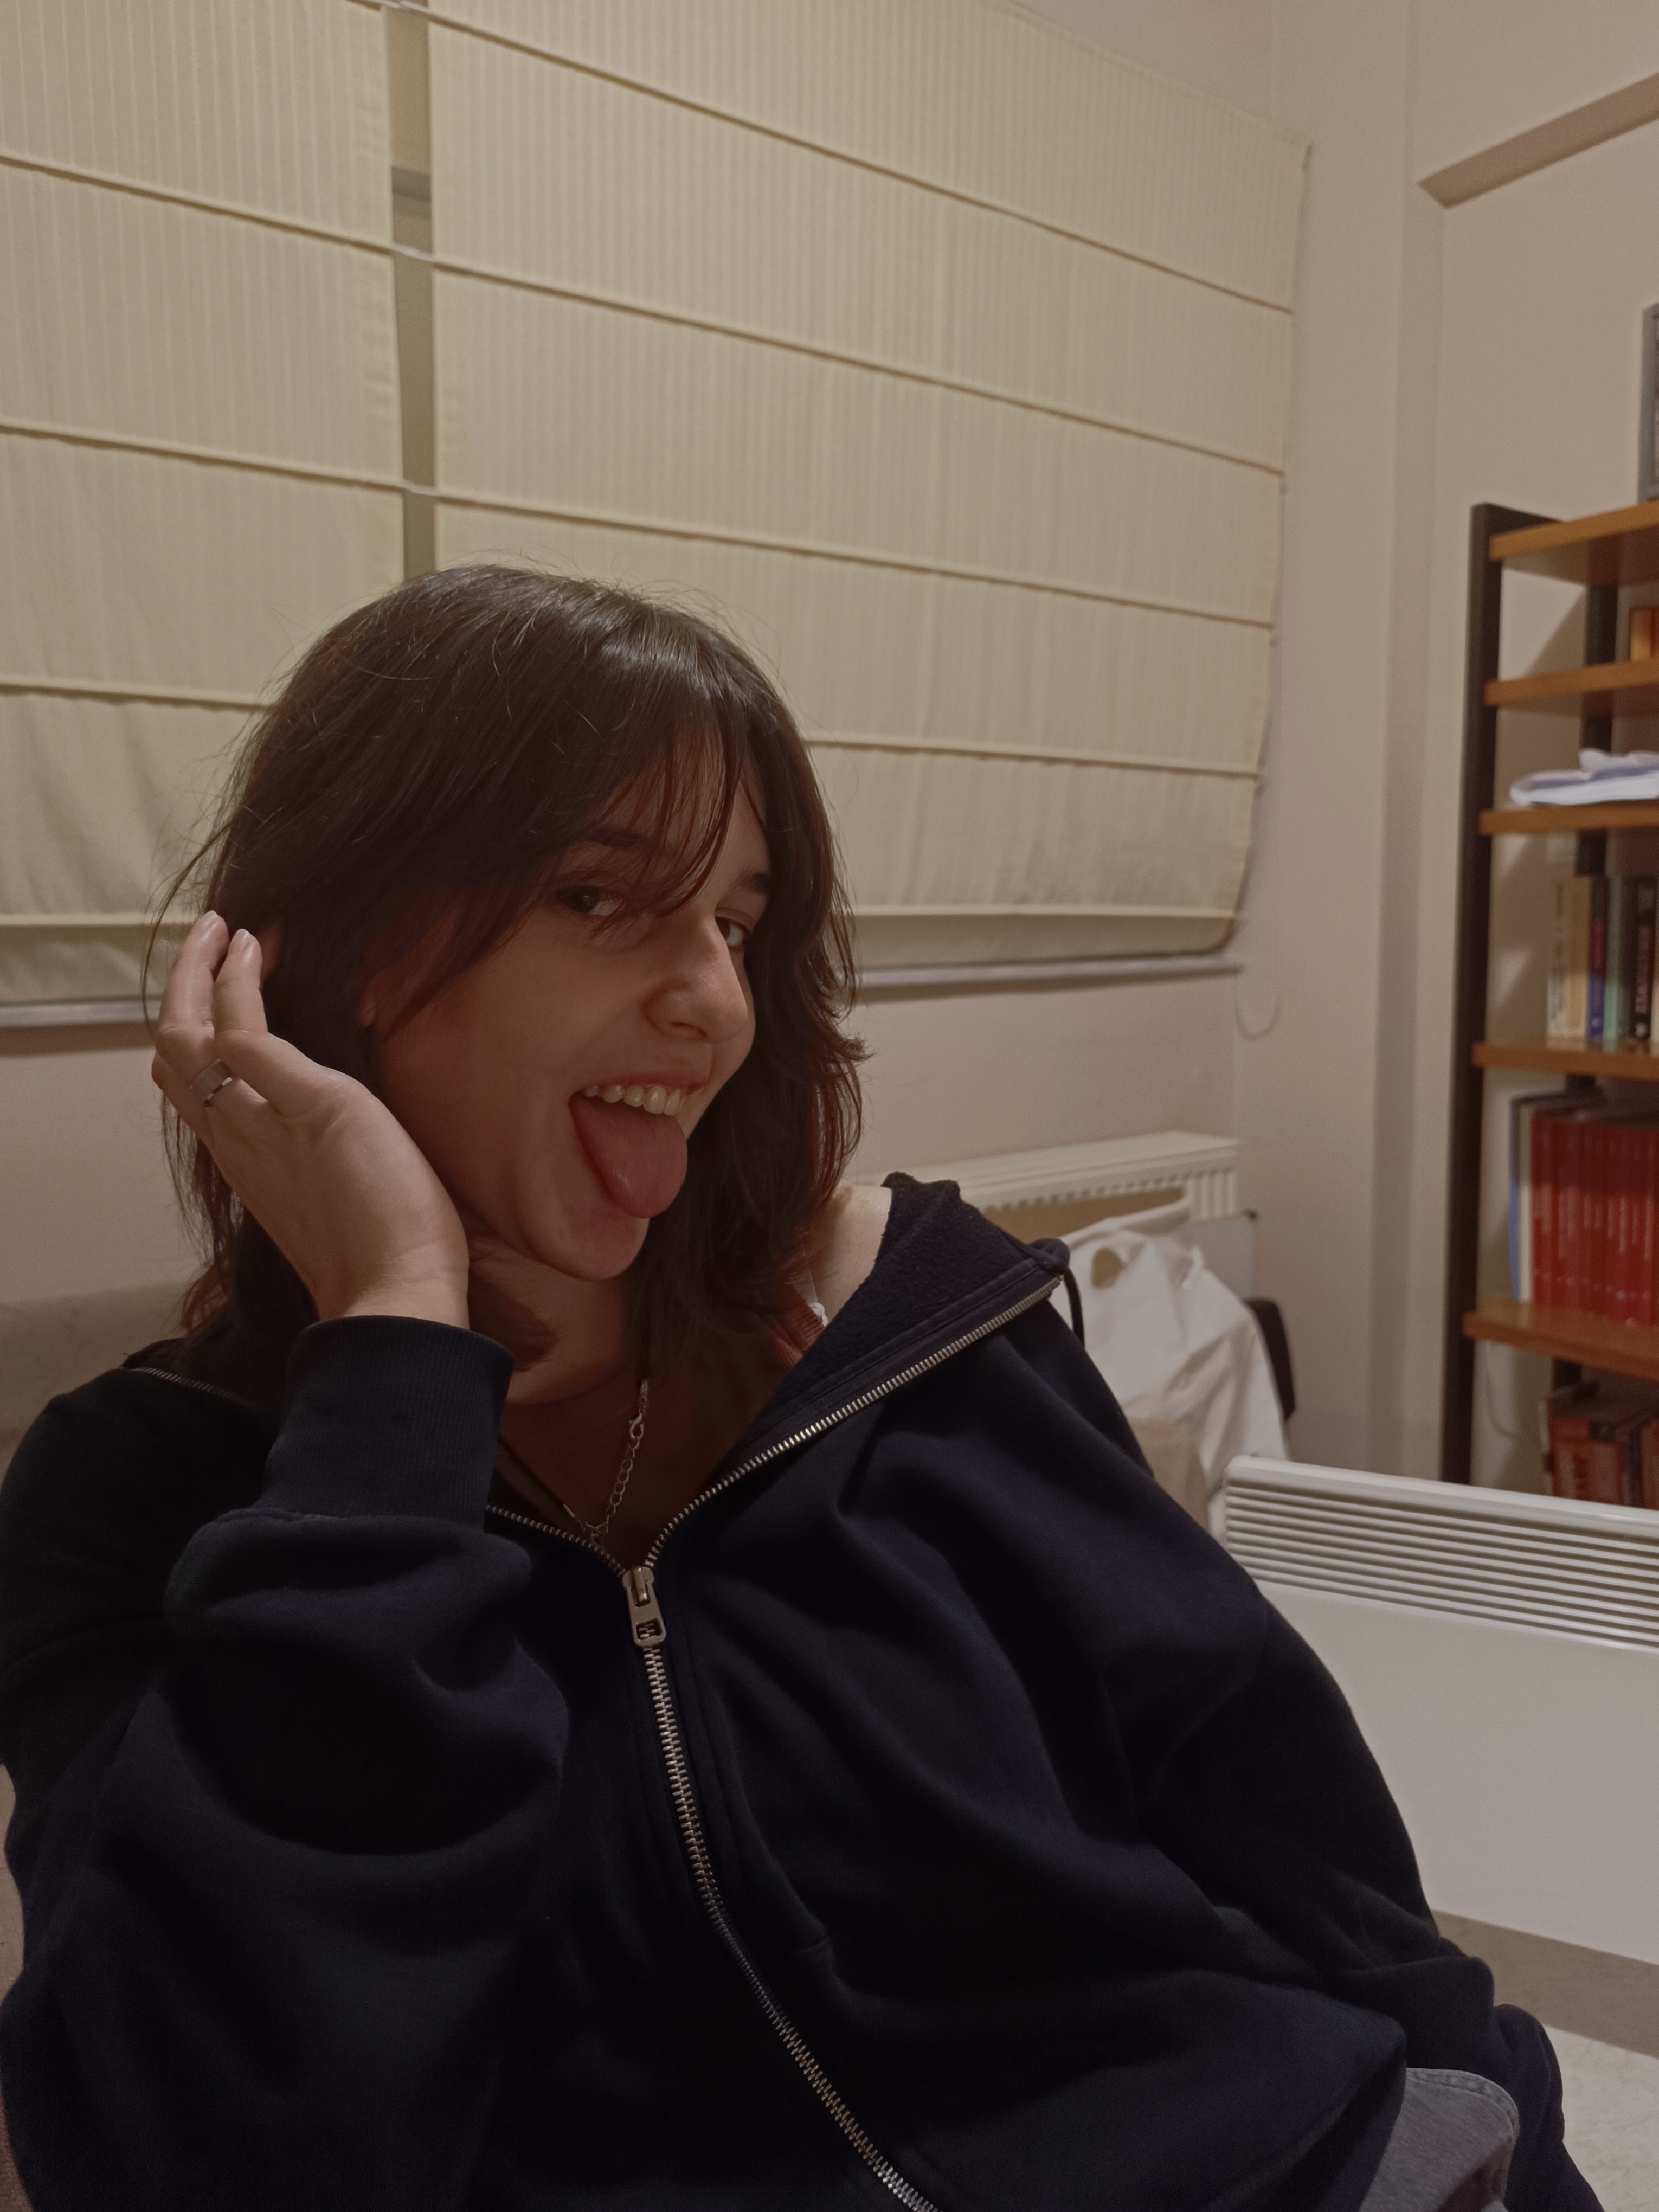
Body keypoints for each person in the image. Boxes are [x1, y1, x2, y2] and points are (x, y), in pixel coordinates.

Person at [0, 571, 1596, 2212]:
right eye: (597, 897)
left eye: (737, 923)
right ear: (331, 954)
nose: (713, 1002)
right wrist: (398, 1349)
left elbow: (1287, 1832)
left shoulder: (912, 1329)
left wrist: (1517, 2152)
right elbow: (177, 2148)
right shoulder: (146, 1493)